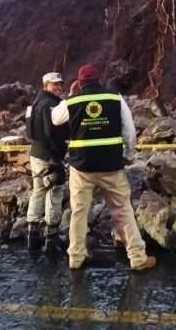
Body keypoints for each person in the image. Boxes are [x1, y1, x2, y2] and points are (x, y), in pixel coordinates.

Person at [52, 64, 156, 271]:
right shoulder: (115, 97)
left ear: (79, 82)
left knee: (79, 212)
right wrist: (128, 154)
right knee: (123, 210)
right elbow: (129, 131)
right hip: (111, 165)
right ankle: (137, 257)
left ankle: (76, 258)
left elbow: (55, 119)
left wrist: (70, 95)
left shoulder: (73, 101)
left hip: (81, 167)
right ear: (99, 79)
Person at [25, 72, 69, 252]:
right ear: (46, 85)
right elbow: (51, 132)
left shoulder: (34, 104)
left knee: (38, 192)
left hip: (35, 155)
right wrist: (61, 150)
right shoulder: (49, 104)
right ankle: (51, 239)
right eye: (54, 84)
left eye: (60, 84)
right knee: (55, 193)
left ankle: (32, 236)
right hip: (49, 157)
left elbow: (29, 133)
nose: (59, 87)